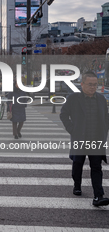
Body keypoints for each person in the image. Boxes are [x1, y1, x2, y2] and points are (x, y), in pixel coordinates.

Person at [60, 71, 109, 207]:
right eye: (90, 84)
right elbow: (63, 115)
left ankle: (98, 196)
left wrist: (105, 131)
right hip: (80, 139)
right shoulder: (73, 98)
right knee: (78, 164)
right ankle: (77, 184)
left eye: (95, 85)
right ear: (82, 84)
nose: (93, 87)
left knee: (96, 167)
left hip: (96, 140)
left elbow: (106, 117)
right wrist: (72, 130)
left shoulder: (101, 99)